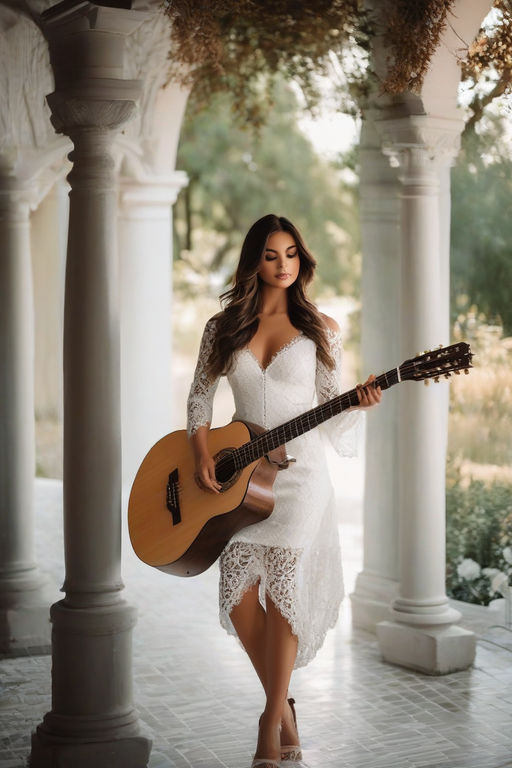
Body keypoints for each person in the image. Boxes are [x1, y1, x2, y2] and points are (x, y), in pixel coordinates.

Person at [186, 214, 382, 768]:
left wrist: (357, 404)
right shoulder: (221, 329)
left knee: (286, 595)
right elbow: (200, 402)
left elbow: (331, 411)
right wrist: (203, 456)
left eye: (292, 253)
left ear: (302, 259)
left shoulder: (321, 328)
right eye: (272, 255)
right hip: (241, 479)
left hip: (302, 479)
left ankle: (271, 721)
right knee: (240, 595)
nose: (284, 265)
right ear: (255, 261)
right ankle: (286, 711)